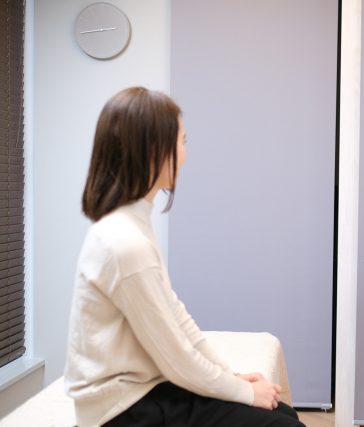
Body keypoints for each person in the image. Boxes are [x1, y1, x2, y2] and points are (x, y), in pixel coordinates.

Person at [64, 87, 304, 427]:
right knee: (283, 425)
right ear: (153, 150)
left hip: (140, 392)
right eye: (182, 141)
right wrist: (245, 393)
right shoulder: (124, 242)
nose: (186, 154)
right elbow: (175, 356)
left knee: (281, 413)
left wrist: (231, 377)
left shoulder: (132, 225)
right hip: (121, 411)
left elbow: (176, 317)